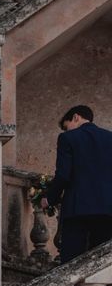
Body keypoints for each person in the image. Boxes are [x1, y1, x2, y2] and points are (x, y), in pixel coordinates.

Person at [42, 105, 112, 263]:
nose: (67, 131)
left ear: (76, 117)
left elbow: (63, 175)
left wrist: (49, 198)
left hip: (77, 208)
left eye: (67, 127)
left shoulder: (68, 138)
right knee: (102, 262)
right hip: (108, 209)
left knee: (71, 260)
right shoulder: (110, 138)